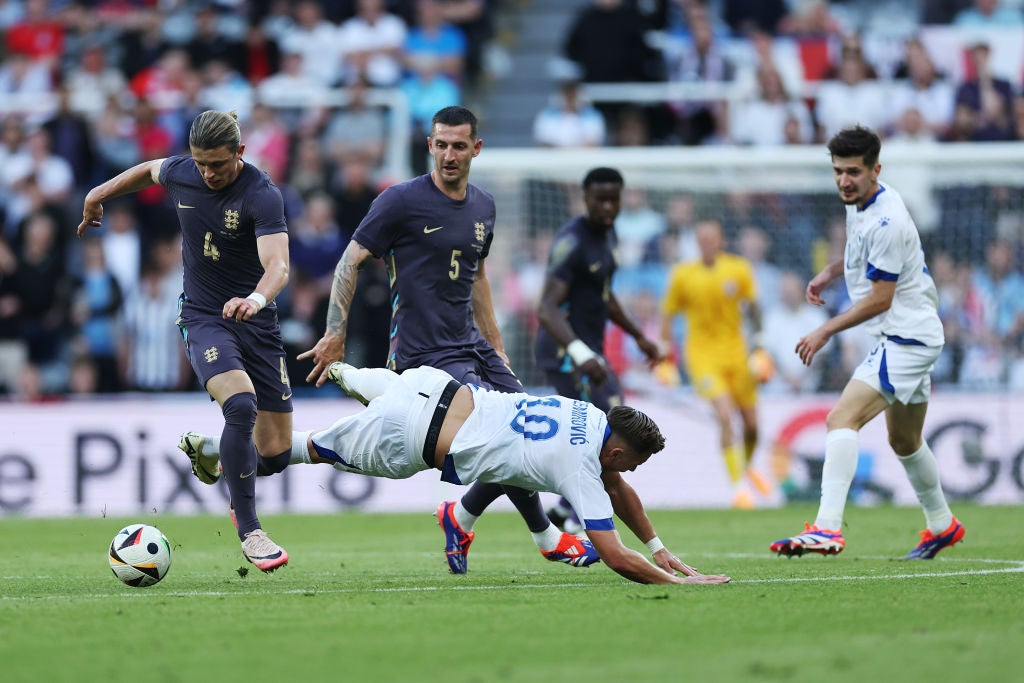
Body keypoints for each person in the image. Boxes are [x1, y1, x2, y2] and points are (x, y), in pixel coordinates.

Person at [293, 105, 596, 573]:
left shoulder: (483, 206)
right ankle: (544, 535)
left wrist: (495, 344)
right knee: (507, 438)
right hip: (424, 354)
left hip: (473, 345)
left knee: (527, 431)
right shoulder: (399, 201)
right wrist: (336, 332)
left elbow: (476, 275)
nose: (448, 154)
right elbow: (349, 261)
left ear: (476, 149)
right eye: (441, 144)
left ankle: (462, 515)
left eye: (459, 146)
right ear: (429, 145)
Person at [78, 110, 293, 572]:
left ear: (240, 152)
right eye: (200, 164)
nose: (207, 173)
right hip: (203, 317)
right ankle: (251, 531)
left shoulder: (262, 194)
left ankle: (213, 451)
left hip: (256, 319)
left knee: (274, 455)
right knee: (239, 406)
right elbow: (148, 170)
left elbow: (278, 265)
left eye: (217, 164)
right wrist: (98, 194)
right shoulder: (185, 172)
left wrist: (255, 299)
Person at [301, 361, 731, 586]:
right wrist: (679, 583)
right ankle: (242, 453)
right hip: (415, 438)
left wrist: (657, 547)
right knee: (300, 450)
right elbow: (616, 557)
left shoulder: (588, 412)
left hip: (431, 387)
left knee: (383, 390)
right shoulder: (582, 469)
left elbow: (617, 487)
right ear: (617, 452)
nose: (629, 471)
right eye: (634, 462)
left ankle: (348, 372)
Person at [770, 125, 964, 560]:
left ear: (876, 169)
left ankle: (826, 529)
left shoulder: (888, 219)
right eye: (838, 171)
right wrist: (831, 271)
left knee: (842, 418)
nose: (844, 180)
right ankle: (942, 524)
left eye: (853, 172)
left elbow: (881, 297)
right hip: (909, 335)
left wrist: (825, 329)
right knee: (905, 441)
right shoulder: (861, 204)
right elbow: (862, 251)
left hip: (905, 338)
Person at [534, 167, 663, 533]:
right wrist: (580, 353)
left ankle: (561, 515)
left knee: (610, 419)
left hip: (589, 351)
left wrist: (638, 335)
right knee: (608, 425)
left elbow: (604, 297)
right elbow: (546, 308)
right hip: (565, 352)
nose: (608, 207)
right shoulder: (571, 242)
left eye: (614, 200)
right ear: (585, 199)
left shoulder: (609, 236)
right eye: (600, 200)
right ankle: (580, 515)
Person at [660, 219, 769, 509]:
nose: (706, 243)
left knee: (752, 425)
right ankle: (739, 489)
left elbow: (755, 308)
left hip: (737, 353)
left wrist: (759, 347)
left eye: (711, 238)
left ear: (722, 241)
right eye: (701, 238)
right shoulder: (683, 274)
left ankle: (744, 468)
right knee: (724, 416)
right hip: (702, 356)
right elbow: (667, 316)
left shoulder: (738, 269)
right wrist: (666, 359)